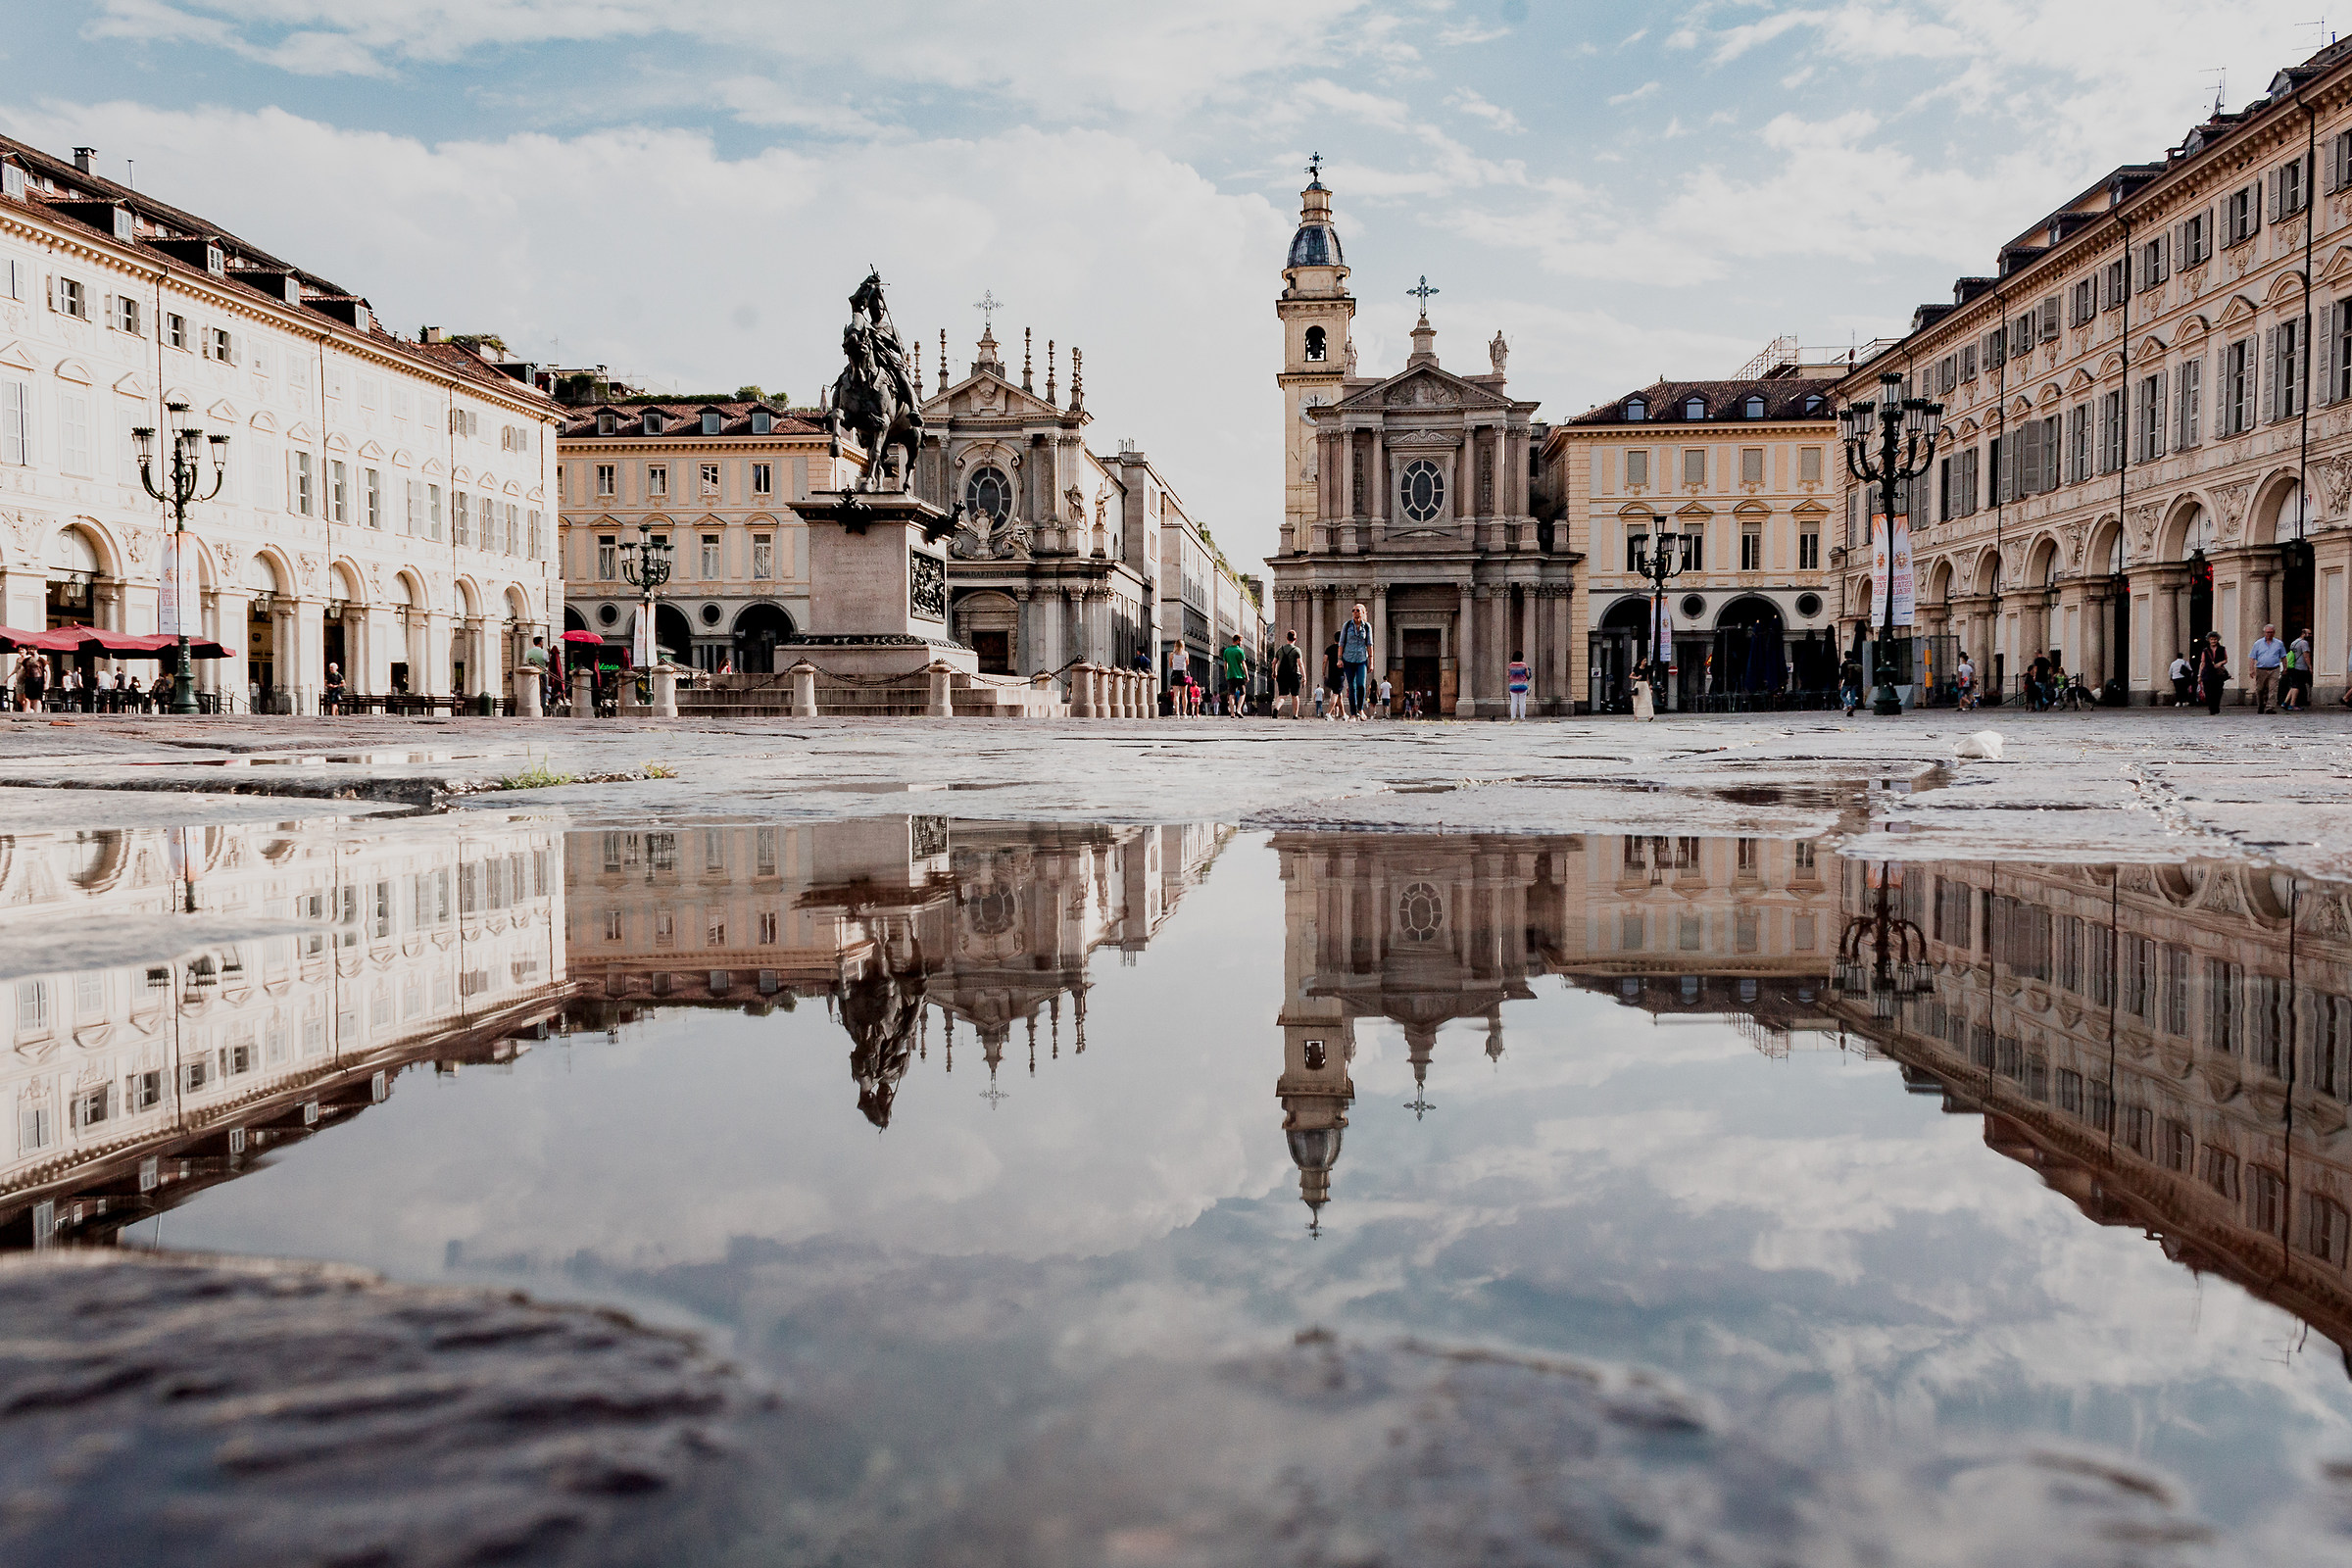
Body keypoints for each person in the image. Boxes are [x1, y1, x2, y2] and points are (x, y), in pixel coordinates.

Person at [1336, 603, 1373, 719]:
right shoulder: (1347, 626)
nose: (1355, 612)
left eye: (1357, 610)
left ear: (1363, 613)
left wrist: (1371, 661)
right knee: (1351, 686)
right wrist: (1339, 659)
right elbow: (1341, 643)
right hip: (1348, 659)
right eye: (1353, 610)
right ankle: (1353, 714)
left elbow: (1369, 644)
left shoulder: (1367, 627)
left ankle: (1360, 710)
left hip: (1362, 659)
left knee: (1361, 685)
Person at [2248, 622, 2285, 713]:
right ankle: (2261, 704)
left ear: (2274, 633)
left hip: (2274, 669)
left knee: (2273, 689)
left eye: (2271, 632)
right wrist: (2251, 669)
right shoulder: (2258, 643)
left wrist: (2285, 668)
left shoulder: (2279, 643)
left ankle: (2270, 707)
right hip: (2261, 669)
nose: (2269, 634)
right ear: (2264, 633)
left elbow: (2283, 656)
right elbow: (2252, 657)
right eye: (2267, 632)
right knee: (2260, 689)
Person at [2197, 632, 2230, 715]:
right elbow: (2202, 662)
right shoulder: (2205, 650)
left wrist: (2220, 663)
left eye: (2215, 639)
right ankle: (2211, 708)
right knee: (2208, 691)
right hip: (2207, 672)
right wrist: (2199, 675)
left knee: (2218, 691)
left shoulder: (2222, 649)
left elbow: (2226, 659)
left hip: (2218, 673)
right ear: (2208, 640)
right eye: (2211, 639)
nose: (2213, 641)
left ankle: (2216, 706)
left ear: (2217, 640)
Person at [1273, 630, 1304, 718]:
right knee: (1295, 695)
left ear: (1287, 638)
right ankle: (1295, 715)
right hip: (1294, 675)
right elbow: (1300, 663)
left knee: (1282, 695)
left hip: (1282, 675)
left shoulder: (1280, 649)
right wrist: (1304, 676)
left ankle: (1276, 709)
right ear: (1295, 639)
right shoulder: (1296, 650)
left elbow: (1273, 662)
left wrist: (1274, 672)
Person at [2285, 627, 2314, 711]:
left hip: (2293, 666)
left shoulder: (2294, 642)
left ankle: (2285, 702)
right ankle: (2292, 704)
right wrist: (2310, 667)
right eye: (2308, 634)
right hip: (2301, 667)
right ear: (2303, 634)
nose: (2310, 635)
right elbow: (2306, 655)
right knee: (2297, 686)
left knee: (2294, 685)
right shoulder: (2304, 643)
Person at [1220, 635, 1248, 716]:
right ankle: (1239, 709)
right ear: (1238, 641)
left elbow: (1225, 664)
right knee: (1243, 693)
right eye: (1241, 641)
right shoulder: (1240, 651)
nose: (1241, 643)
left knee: (1231, 694)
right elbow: (1243, 664)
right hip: (1239, 675)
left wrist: (1226, 673)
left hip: (1231, 675)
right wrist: (1247, 675)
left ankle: (1232, 713)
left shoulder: (1226, 651)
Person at [1504, 650, 1531, 721]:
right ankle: (1522, 718)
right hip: (1522, 686)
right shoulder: (1524, 665)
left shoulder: (1510, 666)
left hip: (1513, 686)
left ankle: (1513, 718)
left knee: (1513, 702)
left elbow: (1508, 675)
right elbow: (1527, 674)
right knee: (1522, 702)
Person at [1631, 657, 1656, 721]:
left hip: (1645, 684)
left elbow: (1648, 678)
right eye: (1644, 661)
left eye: (1646, 661)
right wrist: (1636, 678)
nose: (1645, 662)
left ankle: (1650, 715)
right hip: (1638, 684)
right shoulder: (1636, 669)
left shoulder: (1647, 669)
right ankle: (1636, 716)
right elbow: (1630, 676)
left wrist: (1649, 686)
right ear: (1641, 661)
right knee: (1637, 700)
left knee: (1648, 699)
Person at [1838, 653, 1863, 717]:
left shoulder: (1844, 664)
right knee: (1853, 696)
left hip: (1847, 682)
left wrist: (1840, 684)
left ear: (1845, 656)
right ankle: (1852, 706)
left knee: (1842, 695)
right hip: (1855, 683)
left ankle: (1849, 705)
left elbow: (1841, 675)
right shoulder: (1856, 664)